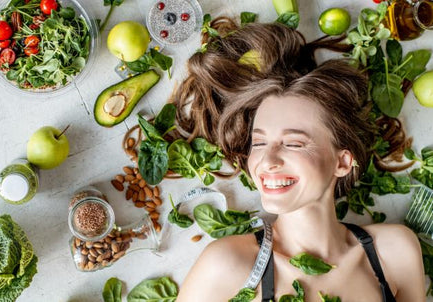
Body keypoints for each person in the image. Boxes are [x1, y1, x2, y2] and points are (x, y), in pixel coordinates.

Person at [173, 20, 425, 302]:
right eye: (259, 143)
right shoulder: (227, 265)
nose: (267, 160)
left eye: (293, 143)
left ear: (342, 162)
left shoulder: (395, 251)